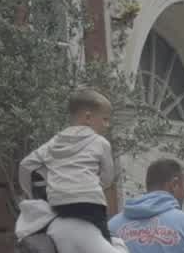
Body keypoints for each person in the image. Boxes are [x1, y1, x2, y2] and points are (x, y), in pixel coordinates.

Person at [18, 88, 120, 232]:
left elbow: (26, 165)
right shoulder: (100, 142)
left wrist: (30, 192)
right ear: (88, 117)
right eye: (105, 119)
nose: (107, 125)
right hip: (91, 203)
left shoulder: (55, 141)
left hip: (59, 203)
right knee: (104, 239)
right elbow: (108, 178)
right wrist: (94, 184)